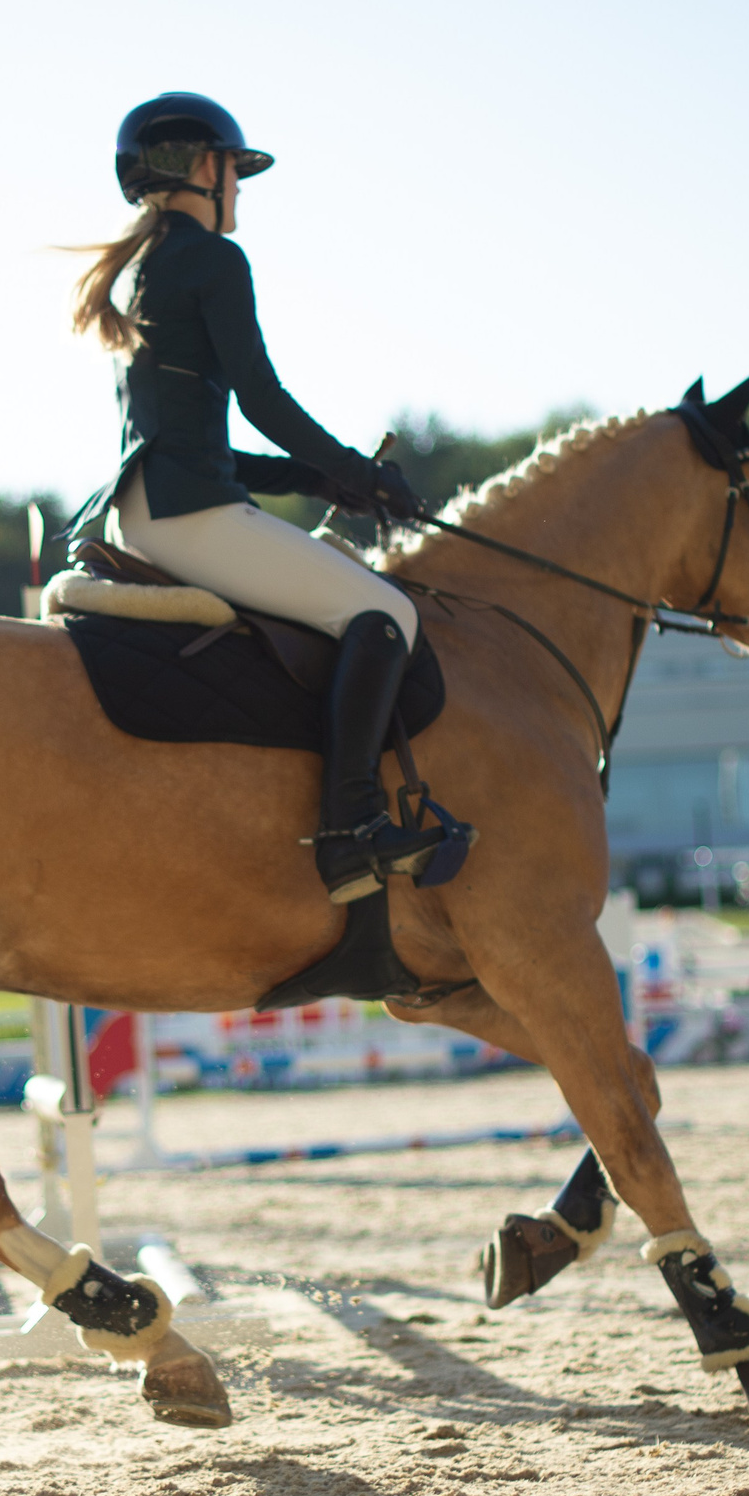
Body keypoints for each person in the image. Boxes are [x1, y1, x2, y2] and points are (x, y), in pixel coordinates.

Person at [66, 92, 438, 906]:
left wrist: (312, 478)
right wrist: (363, 472)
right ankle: (350, 831)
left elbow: (197, 440)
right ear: (206, 167)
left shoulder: (137, 269)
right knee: (387, 617)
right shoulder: (212, 261)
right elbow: (264, 398)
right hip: (192, 520)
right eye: (236, 169)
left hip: (146, 513)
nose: (239, 187)